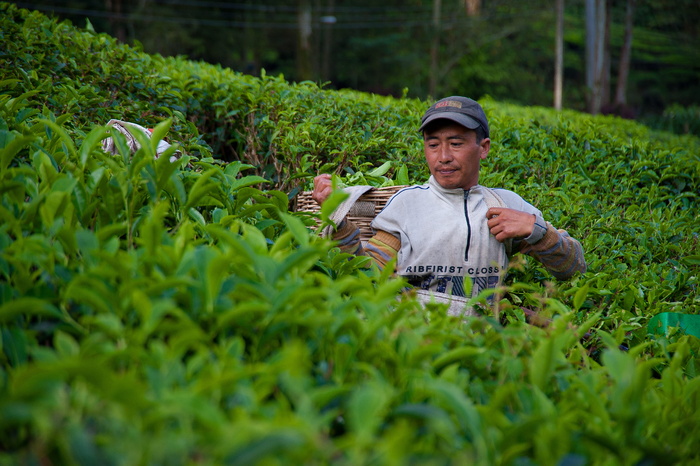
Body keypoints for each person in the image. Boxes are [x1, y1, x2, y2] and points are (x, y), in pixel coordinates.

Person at [312, 96, 586, 315]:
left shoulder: (505, 204)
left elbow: (572, 268)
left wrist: (536, 231)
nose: (443, 157)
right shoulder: (407, 205)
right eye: (433, 145)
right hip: (412, 336)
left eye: (456, 143)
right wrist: (338, 221)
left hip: (480, 347)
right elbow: (367, 277)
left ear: (484, 147)